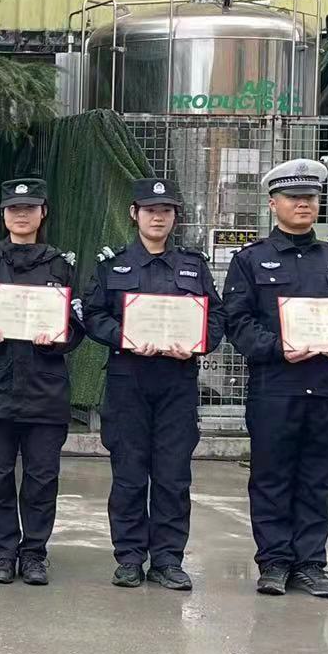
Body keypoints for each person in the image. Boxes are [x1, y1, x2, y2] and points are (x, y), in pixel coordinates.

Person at [223, 158, 328, 598]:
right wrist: (278, 347)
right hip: (277, 386)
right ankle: (274, 562)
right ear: (273, 203)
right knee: (271, 477)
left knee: (318, 478)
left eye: (310, 197)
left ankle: (310, 564)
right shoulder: (251, 260)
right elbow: (237, 321)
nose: (303, 204)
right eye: (293, 197)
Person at [82, 178, 224, 591]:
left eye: (165, 210)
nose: (157, 217)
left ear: (175, 216)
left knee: (173, 476)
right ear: (134, 214)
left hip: (177, 381)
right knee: (128, 474)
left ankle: (167, 559)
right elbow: (93, 315)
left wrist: (197, 344)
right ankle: (129, 558)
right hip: (129, 380)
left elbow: (217, 318)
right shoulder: (113, 266)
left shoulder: (194, 267)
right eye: (149, 210)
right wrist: (125, 336)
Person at [0, 177, 85, 586]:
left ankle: (34, 555)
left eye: (29, 208)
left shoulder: (62, 266)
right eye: (14, 209)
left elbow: (78, 323)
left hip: (45, 389)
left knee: (42, 479)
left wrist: (57, 338)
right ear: (4, 215)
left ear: (43, 213)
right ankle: (2, 554)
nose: (22, 215)